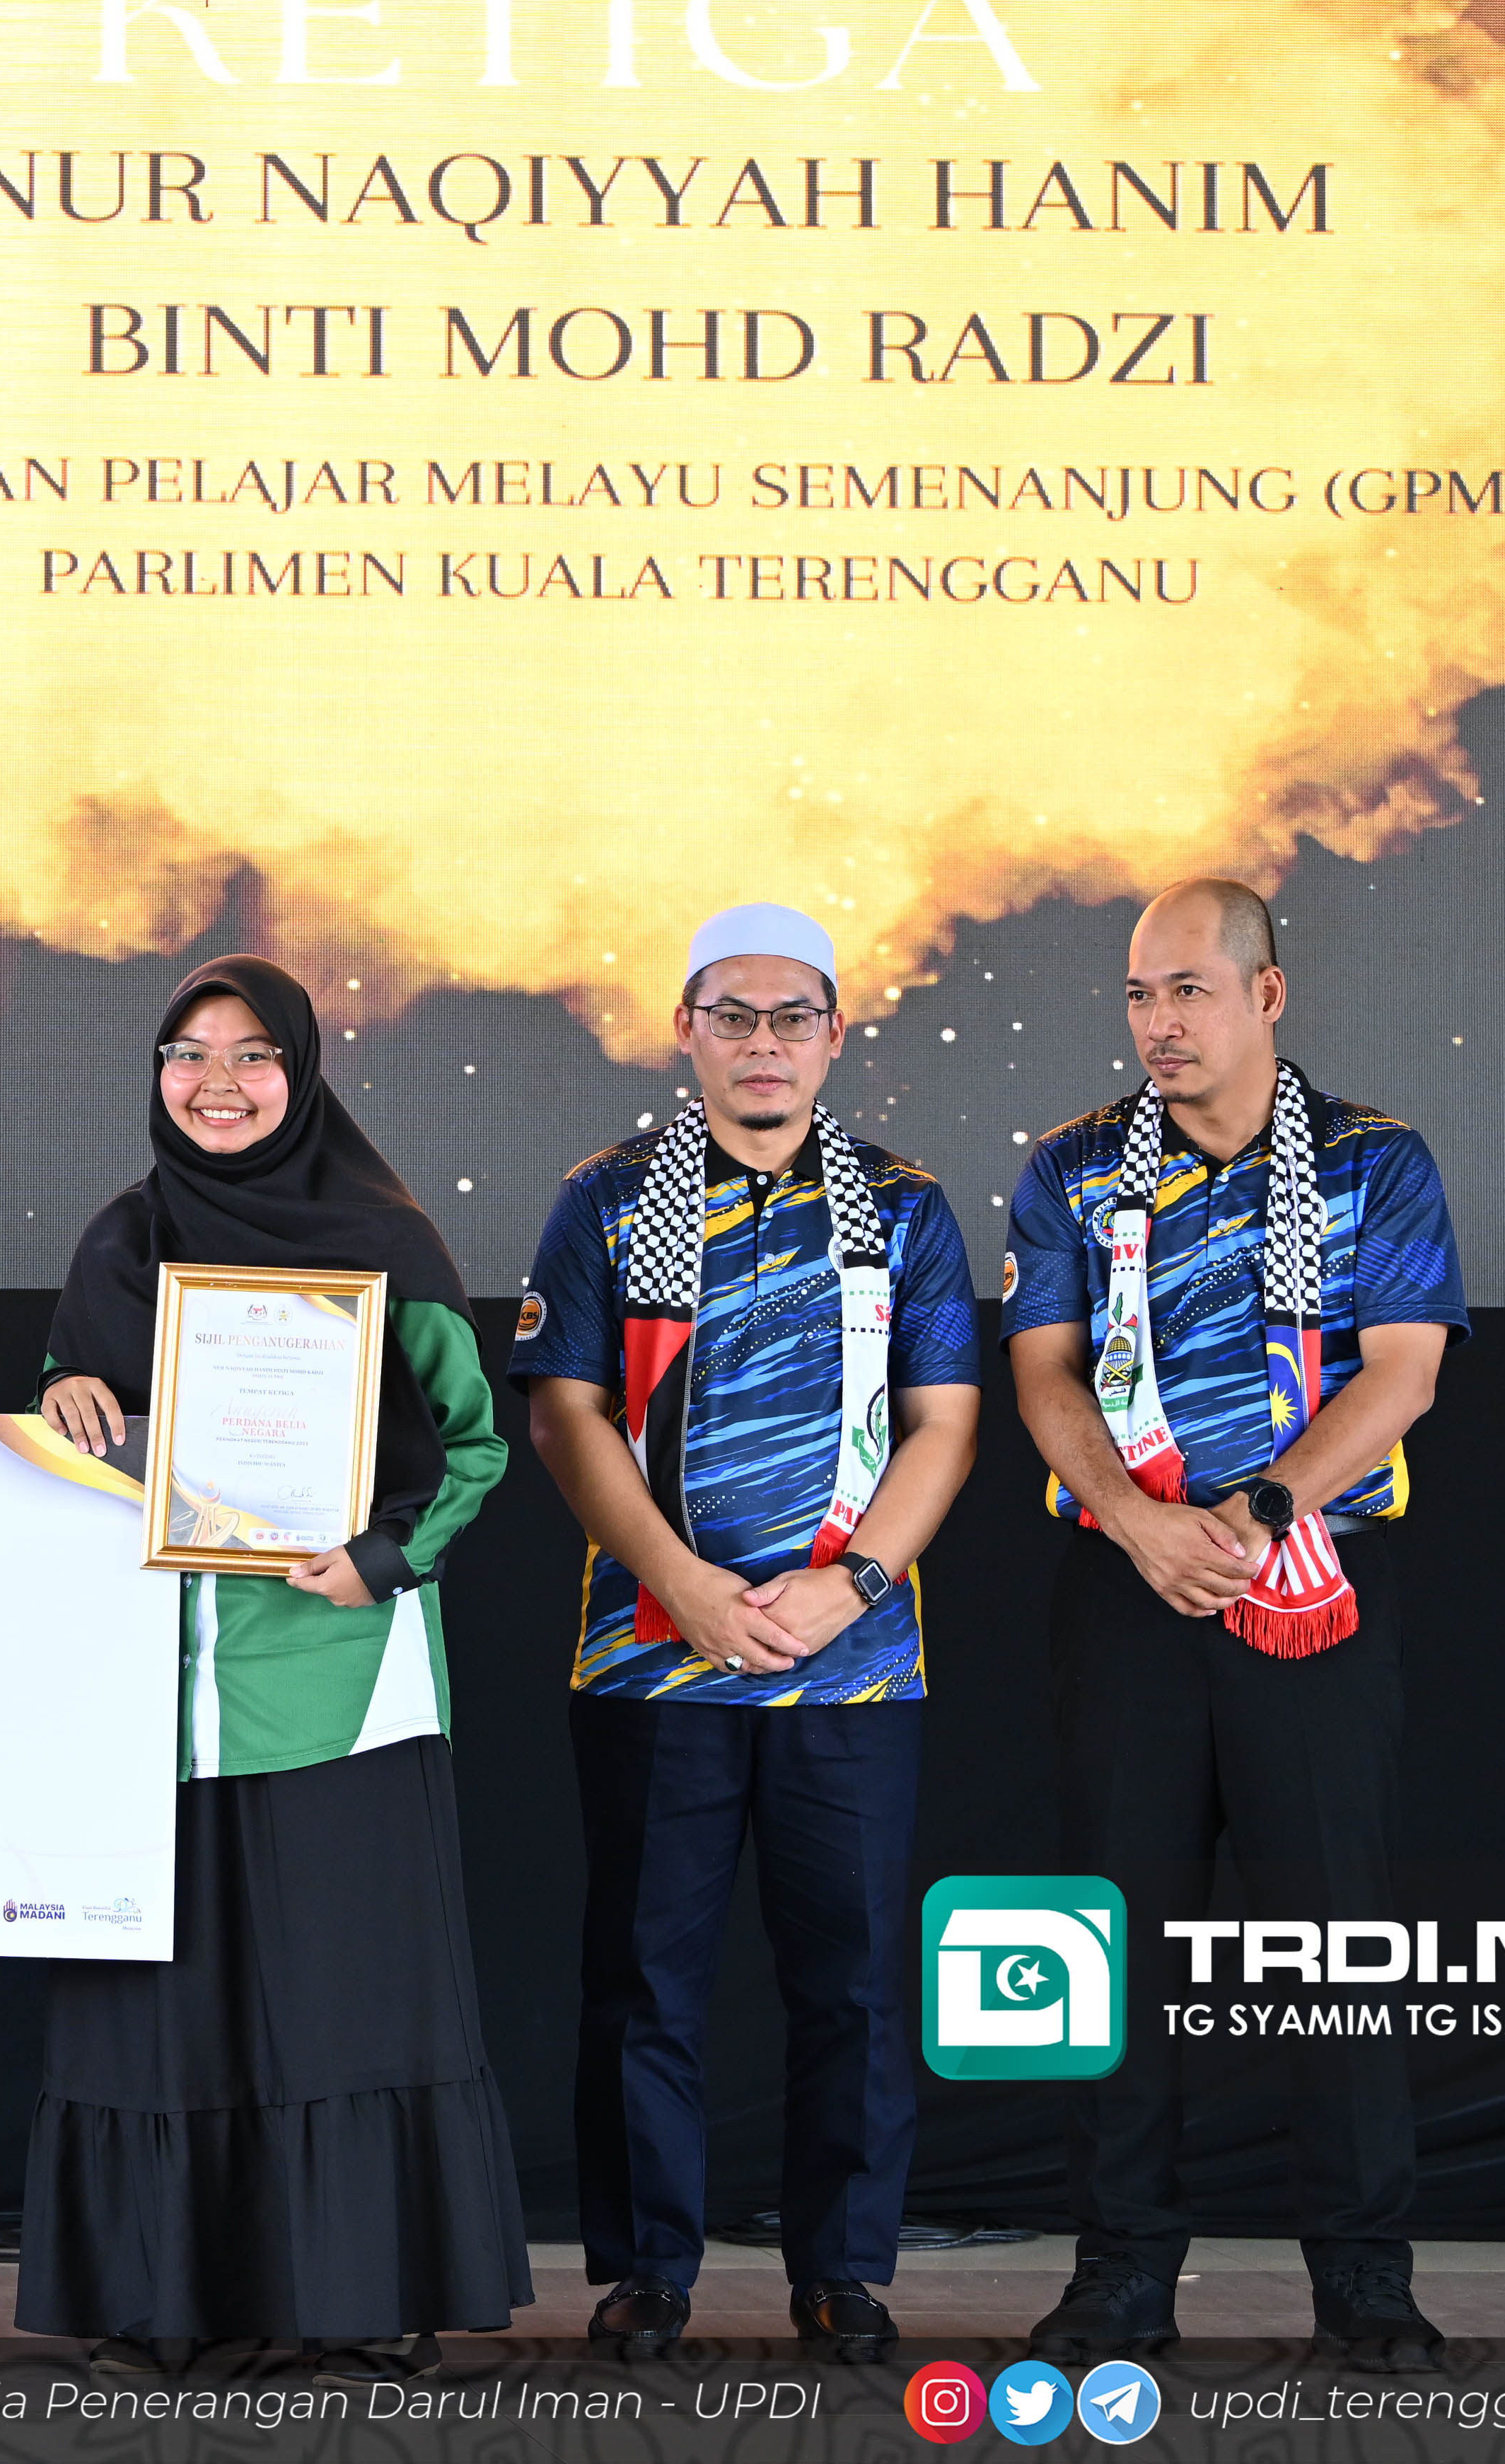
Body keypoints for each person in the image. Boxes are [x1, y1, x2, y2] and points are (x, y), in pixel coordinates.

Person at [26, 954, 533, 2380]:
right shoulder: (121, 1240)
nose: (218, 1083)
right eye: (188, 1054)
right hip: (156, 1687)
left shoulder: (384, 1239)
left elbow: (472, 1446)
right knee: (162, 2007)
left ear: (299, 1074)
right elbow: (79, 1442)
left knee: (340, 1995)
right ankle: (166, 2299)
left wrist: (384, 1555)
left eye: (252, 1055)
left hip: (335, 1675)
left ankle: (354, 2294)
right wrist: (64, 1394)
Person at [1004, 880, 1465, 2371]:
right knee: (1113, 1933)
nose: (1159, 1021)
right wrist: (1140, 1521)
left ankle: (1363, 2278)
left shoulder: (1372, 1158)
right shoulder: (1074, 1166)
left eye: (1189, 989)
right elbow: (1042, 1371)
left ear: (1266, 994)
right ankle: (1119, 2269)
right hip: (1125, 1586)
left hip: (1310, 1577)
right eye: (1140, 994)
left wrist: (1258, 1511)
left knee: (1331, 1934)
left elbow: (1401, 1371)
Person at [515, 904, 982, 2363]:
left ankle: (842, 2270)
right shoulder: (606, 1197)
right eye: (732, 1014)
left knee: (851, 1983)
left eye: (791, 1016)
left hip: (854, 1663)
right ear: (685, 1029)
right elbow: (565, 1411)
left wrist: (852, 1582)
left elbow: (944, 1422)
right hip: (652, 1654)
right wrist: (687, 1585)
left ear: (833, 1035)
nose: (761, 1042)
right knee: (643, 1980)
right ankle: (644, 2268)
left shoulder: (903, 1206)